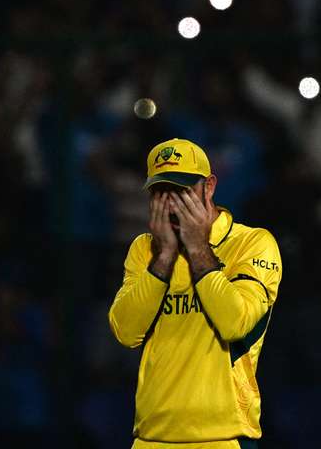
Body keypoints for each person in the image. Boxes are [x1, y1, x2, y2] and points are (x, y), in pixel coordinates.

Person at [108, 138, 282, 448]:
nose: (172, 203)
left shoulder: (251, 244)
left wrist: (198, 247)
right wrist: (163, 259)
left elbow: (235, 322)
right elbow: (125, 331)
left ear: (210, 186)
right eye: (162, 192)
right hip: (151, 437)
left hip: (223, 437)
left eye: (182, 190)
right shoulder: (144, 249)